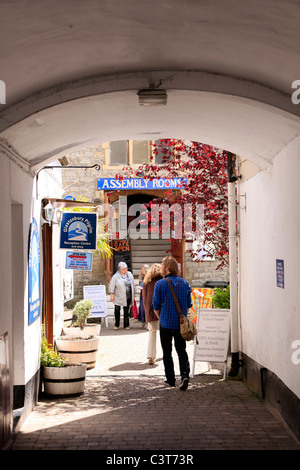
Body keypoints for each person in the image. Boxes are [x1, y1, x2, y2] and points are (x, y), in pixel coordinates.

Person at [152, 255, 192, 391]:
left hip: (166, 323)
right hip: (180, 324)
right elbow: (188, 305)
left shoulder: (160, 284)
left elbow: (155, 305)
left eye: (163, 267)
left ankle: (170, 380)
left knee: (167, 352)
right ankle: (185, 375)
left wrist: (160, 317)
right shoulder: (185, 283)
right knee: (182, 350)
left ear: (167, 269)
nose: (161, 269)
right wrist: (183, 317)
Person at [142, 263, 163, 364]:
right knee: (164, 333)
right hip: (163, 309)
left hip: (150, 309)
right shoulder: (163, 281)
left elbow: (144, 299)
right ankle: (165, 353)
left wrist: (146, 311)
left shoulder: (146, 282)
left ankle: (151, 356)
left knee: (152, 333)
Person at [109, 262, 135, 330]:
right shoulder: (116, 276)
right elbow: (112, 285)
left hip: (128, 296)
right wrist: (111, 294)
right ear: (120, 269)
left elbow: (133, 284)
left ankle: (126, 325)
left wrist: (133, 293)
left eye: (126, 268)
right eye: (123, 269)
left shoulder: (129, 274)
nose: (125, 270)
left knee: (126, 311)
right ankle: (116, 324)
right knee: (117, 310)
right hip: (118, 296)